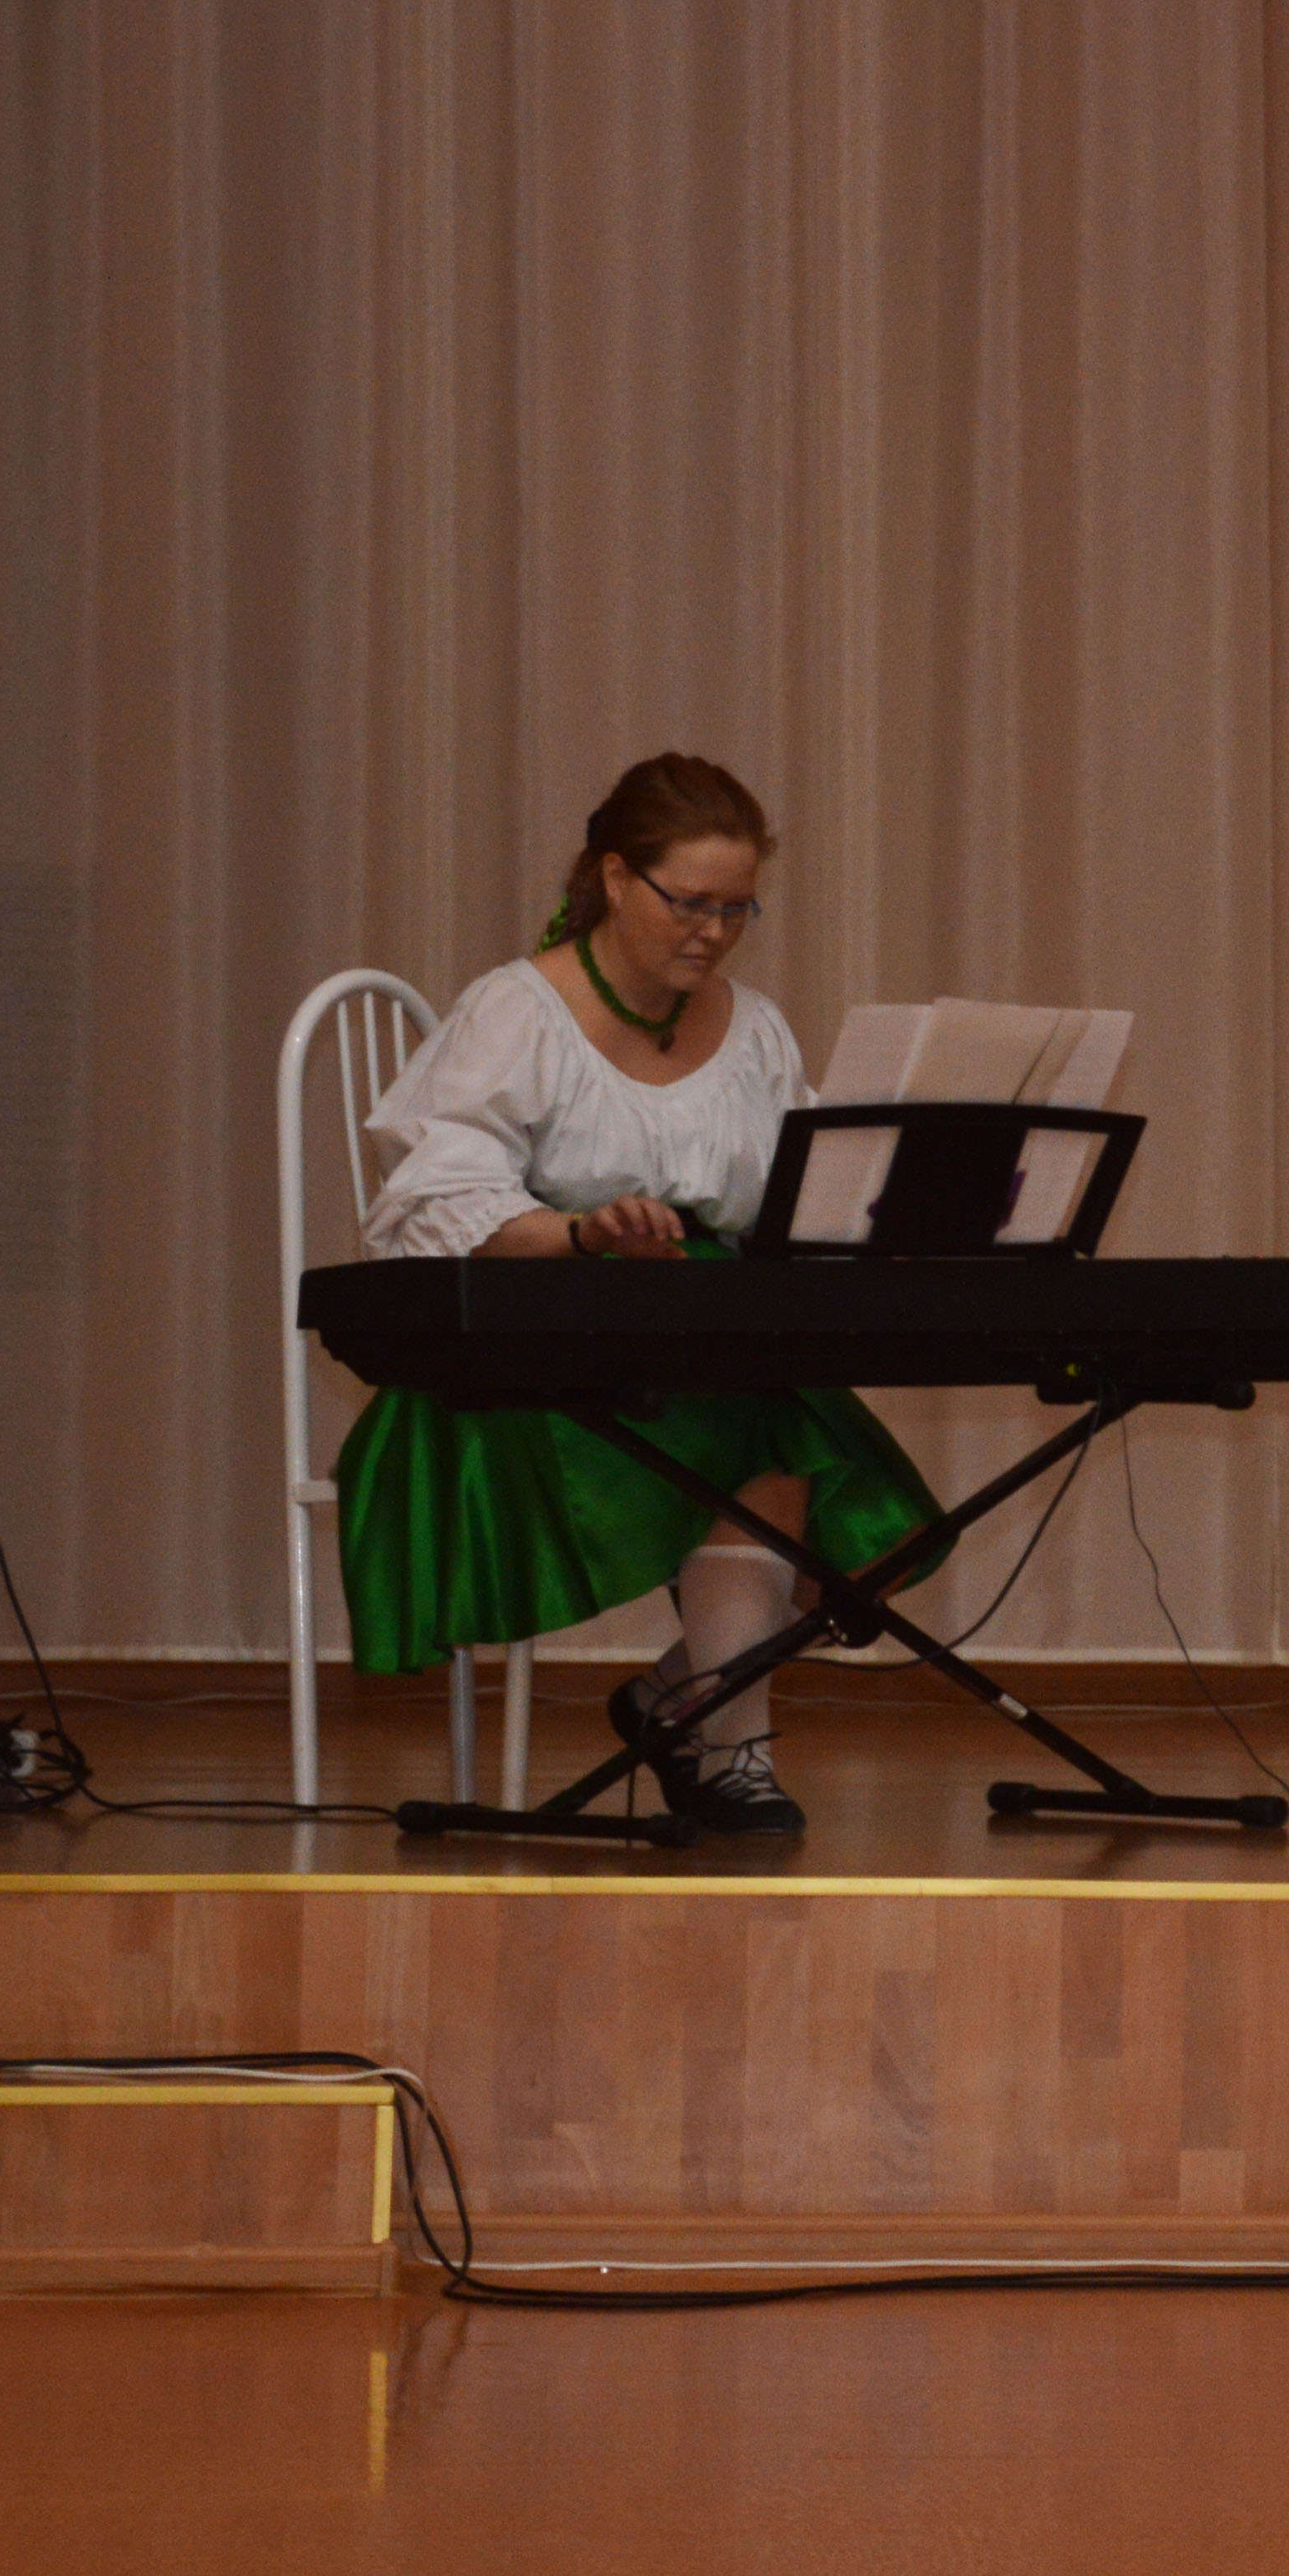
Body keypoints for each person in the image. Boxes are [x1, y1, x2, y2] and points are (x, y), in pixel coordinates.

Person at [334, 754, 943, 1839]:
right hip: (532, 1357)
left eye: (737, 908)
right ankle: (735, 1754)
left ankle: (679, 1700)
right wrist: (582, 1231)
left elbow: (789, 1199)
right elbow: (432, 1202)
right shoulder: (516, 1011)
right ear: (616, 877)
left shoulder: (754, 1027)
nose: (713, 932)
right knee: (770, 1424)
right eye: (690, 902)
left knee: (874, 1540)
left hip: (707, 1337)